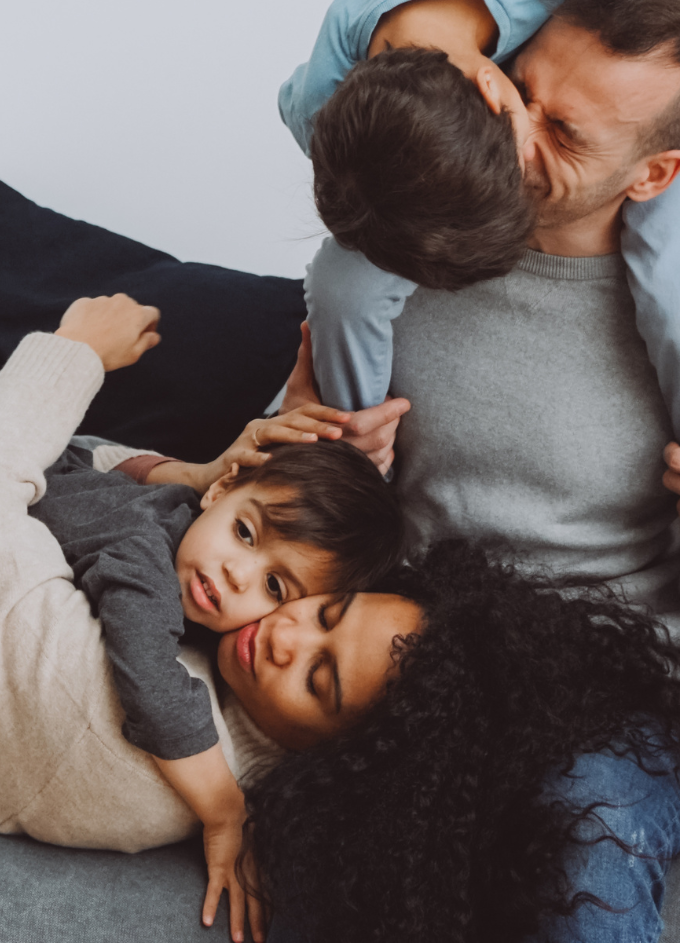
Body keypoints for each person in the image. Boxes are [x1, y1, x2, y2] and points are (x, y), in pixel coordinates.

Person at [279, 0, 680, 941]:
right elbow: (269, 489)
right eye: (523, 94)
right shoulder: (401, 257)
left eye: (566, 135)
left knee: (575, 830)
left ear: (655, 174)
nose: (515, 137)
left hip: (628, 702)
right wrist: (302, 444)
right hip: (417, 668)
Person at [279, 0, 680, 667]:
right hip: (519, 101)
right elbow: (294, 104)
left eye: (530, 149)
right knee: (344, 283)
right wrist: (338, 429)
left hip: (626, 86)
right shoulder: (327, 111)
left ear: (489, 87)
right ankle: (352, 507)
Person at [0, 294, 423, 943]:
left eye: (318, 678)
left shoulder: (137, 672)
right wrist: (193, 475)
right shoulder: (194, 562)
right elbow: (91, 469)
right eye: (323, 614)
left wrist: (76, 351)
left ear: (334, 753)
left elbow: (149, 667)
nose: (286, 634)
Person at [246, 540, 680, 943]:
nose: (283, 634)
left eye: (327, 615)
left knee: (583, 826)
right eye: (316, 678)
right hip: (445, 674)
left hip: (641, 692)